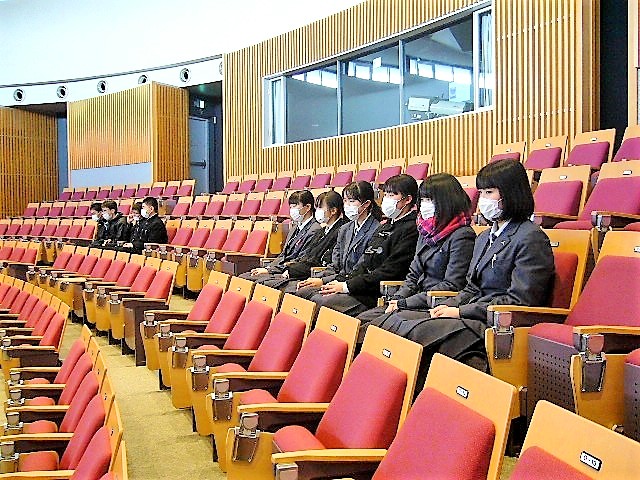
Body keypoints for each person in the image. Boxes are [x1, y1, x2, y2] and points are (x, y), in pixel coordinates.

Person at [387, 159, 555, 386]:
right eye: (481, 192)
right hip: (471, 313)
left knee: (413, 331)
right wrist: (449, 307)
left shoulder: (530, 237)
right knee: (396, 319)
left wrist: (460, 311)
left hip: (494, 323)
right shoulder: (485, 237)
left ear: (510, 194)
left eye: (489, 192)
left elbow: (521, 299)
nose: (483, 199)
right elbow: (470, 287)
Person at [356, 173, 476, 340]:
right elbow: (412, 275)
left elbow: (452, 284)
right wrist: (398, 298)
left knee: (374, 332)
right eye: (423, 199)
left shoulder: (462, 235)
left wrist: (405, 303)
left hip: (433, 305)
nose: (424, 205)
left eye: (429, 200)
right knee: (359, 322)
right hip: (412, 301)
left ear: (446, 201)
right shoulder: (425, 230)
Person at [298, 174, 419, 316]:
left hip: (375, 290)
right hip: (360, 283)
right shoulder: (384, 226)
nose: (386, 199)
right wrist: (340, 283)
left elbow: (390, 270)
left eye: (391, 195)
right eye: (385, 194)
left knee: (322, 301)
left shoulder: (411, 229)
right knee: (309, 294)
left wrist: (346, 286)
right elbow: (364, 263)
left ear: (408, 199)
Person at [295, 180, 382, 300]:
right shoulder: (345, 229)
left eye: (351, 201)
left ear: (366, 204)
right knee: (303, 291)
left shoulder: (376, 230)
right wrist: (321, 279)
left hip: (358, 287)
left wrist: (329, 282)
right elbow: (335, 265)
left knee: (317, 299)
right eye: (345, 201)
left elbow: (361, 269)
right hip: (339, 280)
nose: (347, 205)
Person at [252, 191, 348, 291]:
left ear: (333, 211)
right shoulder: (320, 230)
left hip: (313, 274)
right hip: (299, 270)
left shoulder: (335, 230)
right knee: (256, 280)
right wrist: (272, 269)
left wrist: (289, 270)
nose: (317, 211)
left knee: (274, 286)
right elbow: (302, 256)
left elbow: (322, 262)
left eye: (320, 208)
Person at [241, 190, 320, 280]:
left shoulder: (314, 230)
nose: (292, 210)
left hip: (293, 273)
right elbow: (283, 255)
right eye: (290, 207)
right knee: (244, 277)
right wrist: (268, 268)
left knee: (255, 280)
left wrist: (270, 270)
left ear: (308, 207)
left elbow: (301, 260)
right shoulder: (295, 228)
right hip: (280, 269)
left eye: (295, 206)